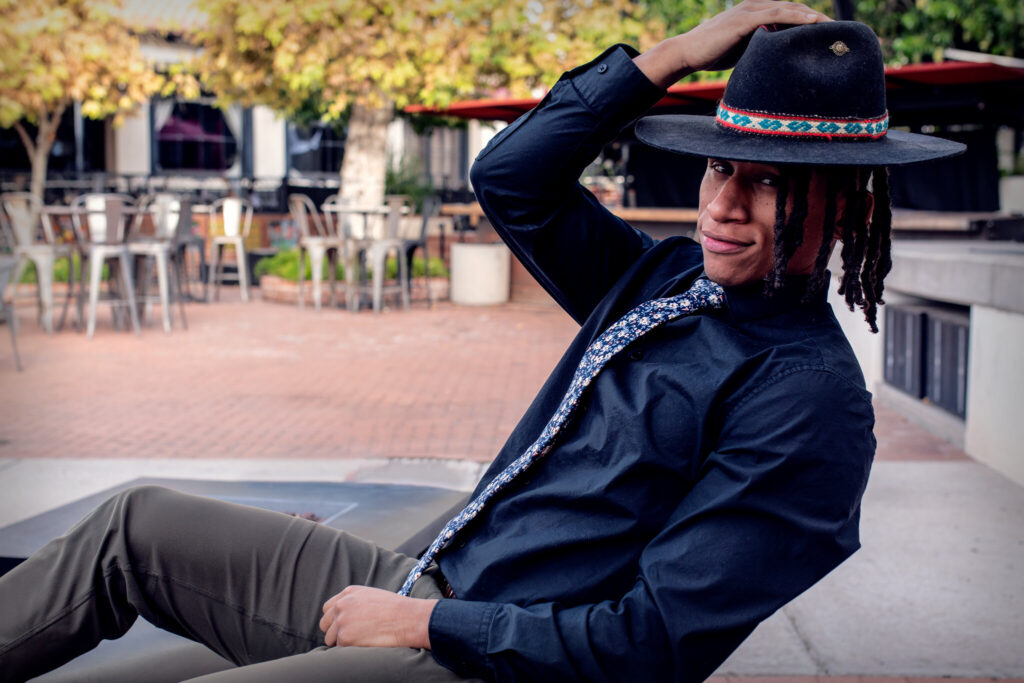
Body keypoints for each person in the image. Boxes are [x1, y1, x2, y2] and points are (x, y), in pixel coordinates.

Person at [0, 2, 964, 682]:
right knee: (134, 523)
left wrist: (425, 621)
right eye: (720, 167)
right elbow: (511, 180)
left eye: (767, 183)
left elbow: (651, 645)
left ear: (847, 200)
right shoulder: (670, 279)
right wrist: (670, 54)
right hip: (418, 574)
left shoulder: (809, 399)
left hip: (484, 658)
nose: (720, 205)